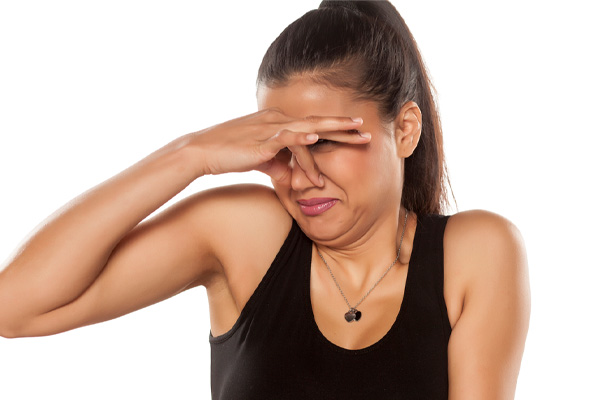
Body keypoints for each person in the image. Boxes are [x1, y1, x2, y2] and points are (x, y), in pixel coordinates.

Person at [0, 1, 530, 398]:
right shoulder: (247, 236)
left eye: (323, 141)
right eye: (281, 149)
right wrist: (190, 154)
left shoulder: (474, 253)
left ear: (406, 130)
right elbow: (14, 308)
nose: (301, 177)